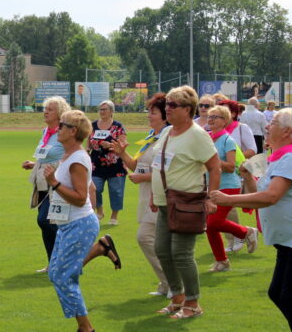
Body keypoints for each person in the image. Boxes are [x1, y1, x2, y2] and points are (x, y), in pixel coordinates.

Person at [211, 108, 292, 331]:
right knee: (278, 294)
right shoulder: (279, 157)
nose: (268, 126)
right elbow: (259, 192)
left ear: (287, 131)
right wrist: (247, 175)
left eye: (274, 122)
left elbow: (271, 197)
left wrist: (227, 200)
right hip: (291, 240)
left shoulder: (291, 157)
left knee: (289, 299)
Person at [151, 86, 221, 319]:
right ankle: (177, 296)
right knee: (162, 250)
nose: (167, 109)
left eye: (173, 105)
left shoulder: (197, 135)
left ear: (187, 109)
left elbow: (214, 166)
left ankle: (192, 303)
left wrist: (212, 196)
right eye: (166, 104)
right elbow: (159, 165)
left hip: (186, 203)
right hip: (165, 203)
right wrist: (154, 193)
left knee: (181, 253)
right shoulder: (167, 131)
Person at [42, 109, 102, 332]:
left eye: (62, 126)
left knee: (62, 276)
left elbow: (79, 198)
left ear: (73, 131)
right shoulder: (67, 156)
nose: (58, 128)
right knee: (58, 274)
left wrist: (54, 183)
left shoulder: (77, 159)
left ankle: (86, 328)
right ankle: (83, 326)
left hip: (79, 223)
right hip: (67, 225)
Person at [111, 93, 170, 296]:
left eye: (153, 112)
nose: (148, 115)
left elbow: (170, 171)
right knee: (153, 241)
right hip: (148, 197)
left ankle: (173, 283)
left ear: (165, 115)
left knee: (146, 238)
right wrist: (121, 153)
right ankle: (167, 284)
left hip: (162, 196)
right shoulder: (151, 136)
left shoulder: (168, 137)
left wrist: (143, 178)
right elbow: (137, 165)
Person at [203, 105, 259, 272]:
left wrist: (212, 161)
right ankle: (222, 261)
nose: (211, 119)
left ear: (225, 121)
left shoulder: (228, 140)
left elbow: (229, 166)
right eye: (210, 116)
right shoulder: (207, 138)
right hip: (212, 186)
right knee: (210, 226)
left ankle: (246, 232)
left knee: (213, 222)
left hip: (228, 186)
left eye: (216, 116)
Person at [22, 96, 71, 273]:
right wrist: (34, 164)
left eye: (50, 109)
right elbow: (44, 155)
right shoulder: (46, 131)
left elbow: (66, 155)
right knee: (46, 222)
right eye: (45, 108)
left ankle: (63, 260)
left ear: (60, 112)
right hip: (42, 179)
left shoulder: (64, 131)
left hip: (58, 180)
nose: (45, 112)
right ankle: (53, 263)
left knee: (46, 220)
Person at [217, 99, 257, 253]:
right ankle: (234, 237)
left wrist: (232, 155)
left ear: (233, 113)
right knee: (221, 209)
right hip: (217, 172)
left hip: (238, 171)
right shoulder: (214, 132)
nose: (216, 116)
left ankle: (240, 235)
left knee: (228, 207)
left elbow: (252, 149)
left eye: (222, 113)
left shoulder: (241, 128)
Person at [88, 100, 126, 225]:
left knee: (116, 191)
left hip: (115, 164)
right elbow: (89, 143)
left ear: (111, 111)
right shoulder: (93, 125)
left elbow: (123, 144)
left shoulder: (118, 126)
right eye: (100, 109)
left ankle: (114, 216)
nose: (102, 111)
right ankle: (100, 210)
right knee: (95, 188)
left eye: (105, 109)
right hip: (96, 164)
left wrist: (110, 145)